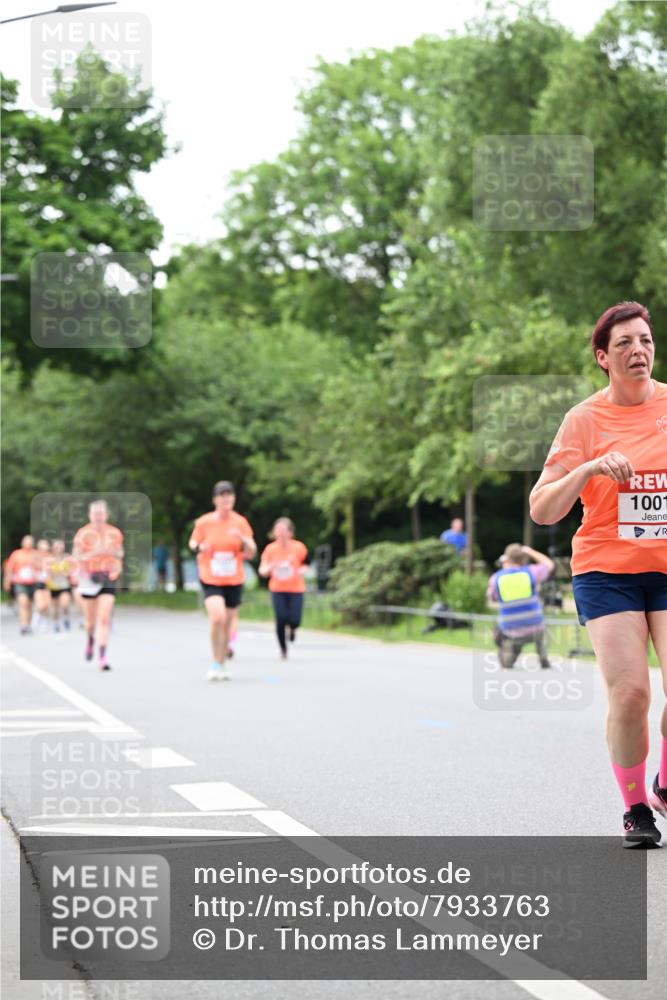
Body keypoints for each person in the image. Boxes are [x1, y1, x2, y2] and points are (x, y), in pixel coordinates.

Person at [530, 301, 667, 848]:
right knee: (631, 693)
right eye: (624, 345)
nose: (638, 351)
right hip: (607, 570)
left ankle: (665, 782)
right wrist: (588, 466)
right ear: (603, 358)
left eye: (645, 340)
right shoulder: (584, 420)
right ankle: (635, 808)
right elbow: (543, 508)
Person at [188, 481, 256, 681]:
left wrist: (243, 540)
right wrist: (200, 546)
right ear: (215, 499)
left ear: (233, 498)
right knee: (217, 617)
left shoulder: (240, 522)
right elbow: (193, 542)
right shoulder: (204, 522)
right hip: (210, 576)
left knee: (227, 622)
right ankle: (215, 661)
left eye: (229, 495)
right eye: (222, 496)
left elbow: (252, 550)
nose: (226, 499)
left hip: (233, 577)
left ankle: (222, 662)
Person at [72, 500, 124, 671]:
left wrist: (112, 552)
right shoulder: (82, 533)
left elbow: (120, 552)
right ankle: (90, 639)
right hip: (88, 578)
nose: (99, 517)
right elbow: (76, 556)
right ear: (90, 515)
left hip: (108, 577)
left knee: (104, 618)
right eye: (96, 514)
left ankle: (102, 657)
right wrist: (97, 551)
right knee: (90, 622)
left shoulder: (114, 532)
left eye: (101, 514)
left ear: (106, 515)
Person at [487, 544, 554, 669]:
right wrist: (529, 551)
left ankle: (510, 650)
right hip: (536, 627)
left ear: (506, 559)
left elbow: (492, 597)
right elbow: (549, 564)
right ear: (523, 558)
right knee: (540, 626)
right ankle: (542, 654)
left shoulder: (496, 578)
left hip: (512, 630)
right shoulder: (531, 572)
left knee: (499, 635)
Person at [259, 518, 309, 659]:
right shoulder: (270, 549)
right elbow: (262, 570)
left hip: (296, 588)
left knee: (295, 619)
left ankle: (293, 629)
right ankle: (283, 648)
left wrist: (302, 570)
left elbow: (306, 564)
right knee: (281, 618)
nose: (281, 534)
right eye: (278, 531)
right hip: (278, 589)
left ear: (290, 532)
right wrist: (270, 567)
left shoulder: (299, 547)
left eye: (284, 530)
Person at [3, 535, 38, 635]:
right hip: (20, 583)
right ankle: (24, 625)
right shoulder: (16, 554)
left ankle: (29, 624)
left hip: (33, 582)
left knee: (30, 604)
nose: (28, 544)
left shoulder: (36, 554)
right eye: (27, 542)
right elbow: (9, 568)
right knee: (23, 603)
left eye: (30, 542)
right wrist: (7, 581)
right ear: (22, 543)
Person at [45, 539, 75, 632]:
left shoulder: (67, 558)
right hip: (53, 586)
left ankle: (66, 618)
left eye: (60, 546)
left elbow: (71, 571)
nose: (58, 548)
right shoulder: (49, 559)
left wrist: (64, 572)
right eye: (56, 546)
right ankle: (56, 622)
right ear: (53, 548)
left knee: (65, 604)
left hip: (64, 585)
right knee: (55, 607)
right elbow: (48, 573)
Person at [32, 538, 52, 632]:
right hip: (38, 581)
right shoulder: (36, 556)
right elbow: (34, 567)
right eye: (43, 545)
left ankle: (43, 620)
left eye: (46, 544)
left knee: (47, 604)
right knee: (40, 604)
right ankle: (35, 617)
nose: (45, 547)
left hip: (48, 582)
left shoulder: (50, 556)